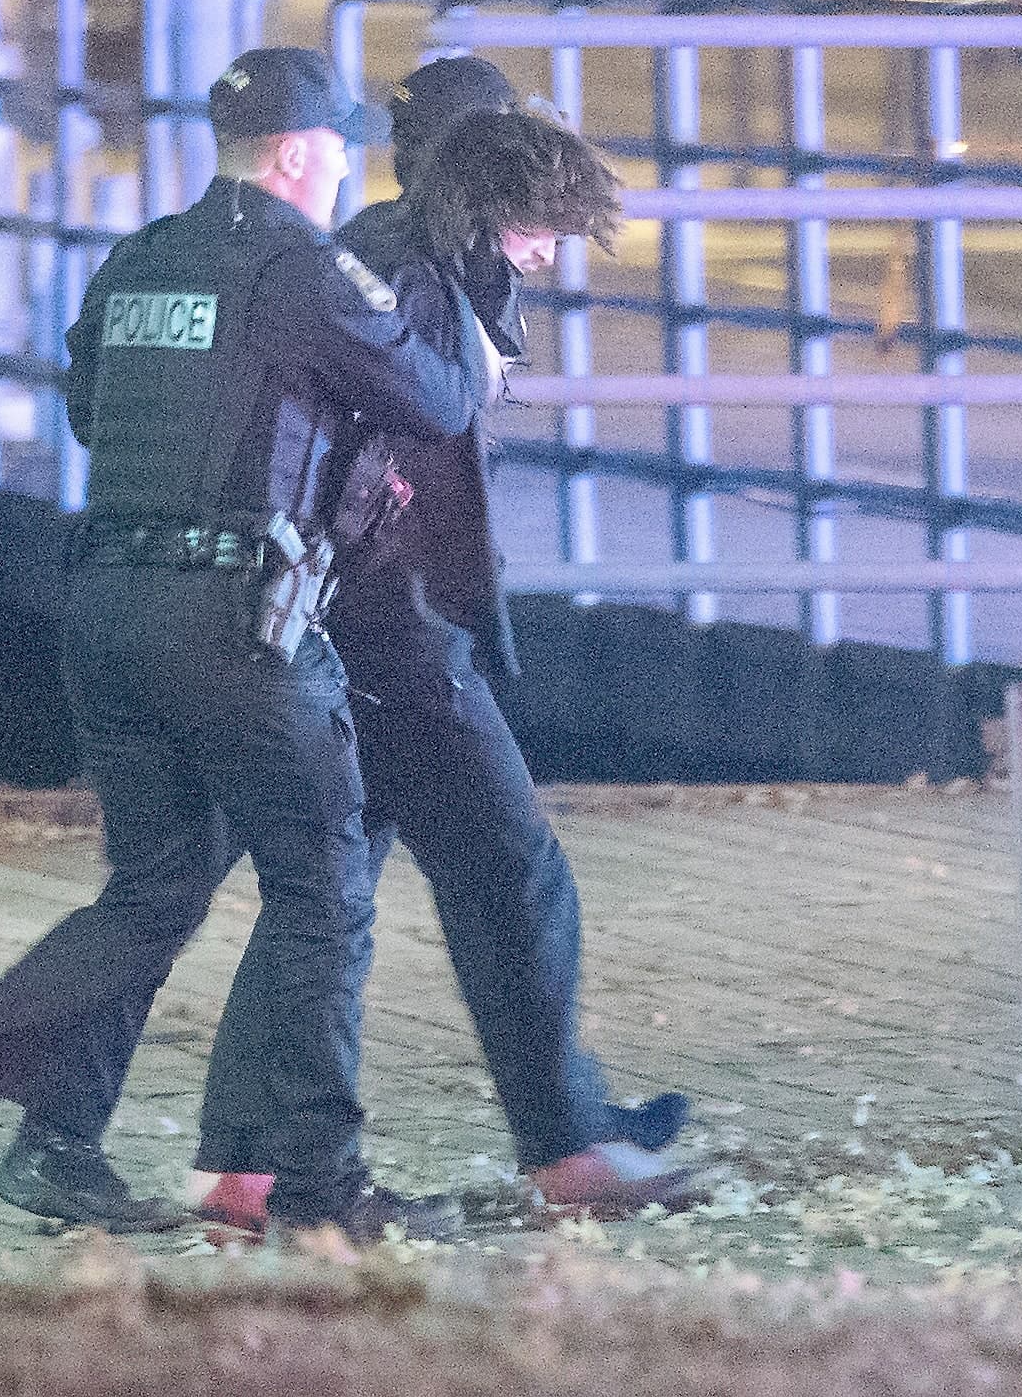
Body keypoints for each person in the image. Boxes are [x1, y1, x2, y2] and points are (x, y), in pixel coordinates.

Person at [0, 47, 468, 1250]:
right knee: (321, 886)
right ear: (298, 154)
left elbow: (94, 406)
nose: (345, 166)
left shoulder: (140, 259)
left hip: (107, 608)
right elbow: (436, 400)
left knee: (152, 892)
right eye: (337, 146)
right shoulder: (301, 269)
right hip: (232, 619)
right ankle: (321, 1187)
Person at [193, 63, 710, 1231]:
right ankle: (571, 1148)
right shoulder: (414, 271)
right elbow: (404, 444)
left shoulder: (384, 250)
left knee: (322, 900)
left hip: (339, 625)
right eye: (531, 212)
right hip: (390, 634)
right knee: (512, 874)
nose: (544, 247)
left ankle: (242, 1165)